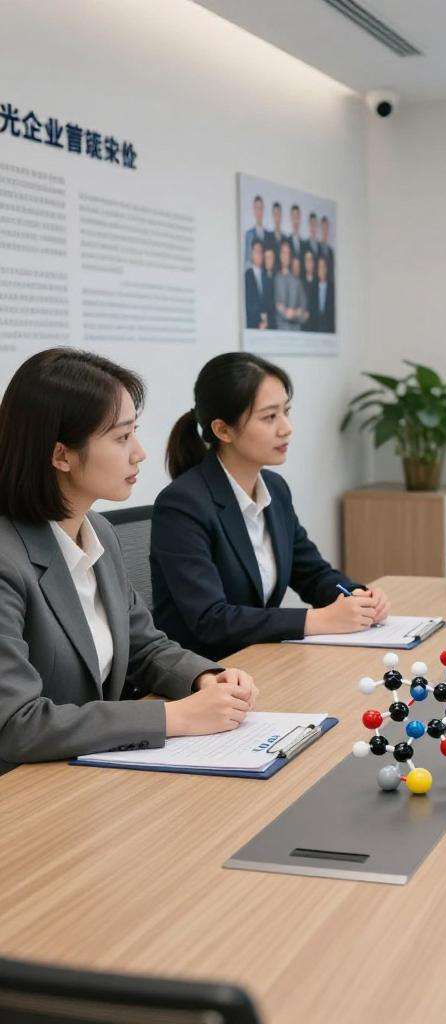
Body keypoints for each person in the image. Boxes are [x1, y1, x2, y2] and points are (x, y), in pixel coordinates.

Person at [0, 349, 258, 773]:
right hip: (25, 795)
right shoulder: (7, 561)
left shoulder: (97, 530)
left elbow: (144, 646)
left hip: (89, 773)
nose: (139, 453)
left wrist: (205, 678)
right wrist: (175, 717)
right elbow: (17, 724)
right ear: (61, 455)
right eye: (121, 438)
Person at [151, 353, 390, 662]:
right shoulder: (182, 505)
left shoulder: (275, 489)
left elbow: (313, 574)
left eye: (286, 412)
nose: (286, 428)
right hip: (205, 676)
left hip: (260, 662)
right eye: (269, 417)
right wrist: (317, 620)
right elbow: (211, 620)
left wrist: (355, 596)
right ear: (223, 430)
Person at [273, 241, 306, 331]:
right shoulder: (275, 279)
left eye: (288, 253)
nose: (286, 256)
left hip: (296, 332)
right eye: (283, 252)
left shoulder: (297, 281)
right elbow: (275, 304)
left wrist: (294, 313)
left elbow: (304, 310)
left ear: (291, 256)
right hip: (280, 332)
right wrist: (285, 313)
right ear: (280, 255)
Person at [244, 239, 268, 330]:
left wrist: (266, 321)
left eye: (261, 252)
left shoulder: (266, 275)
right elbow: (249, 304)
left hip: (268, 326)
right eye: (256, 251)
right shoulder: (247, 276)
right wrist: (259, 321)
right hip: (253, 326)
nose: (259, 255)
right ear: (251, 254)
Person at [242, 194, 269, 266]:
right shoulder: (249, 234)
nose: (259, 212)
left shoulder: (268, 235)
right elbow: (247, 259)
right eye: (257, 208)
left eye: (260, 208)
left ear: (263, 210)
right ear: (254, 210)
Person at [311, 255, 334, 333]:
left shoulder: (332, 288)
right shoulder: (313, 288)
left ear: (327, 269)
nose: (322, 270)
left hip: (329, 329)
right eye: (319, 267)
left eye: (323, 267)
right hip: (315, 329)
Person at [260, 245, 277, 329]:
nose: (268, 260)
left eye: (270, 257)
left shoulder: (277, 277)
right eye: (266, 257)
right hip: (264, 319)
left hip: (276, 319)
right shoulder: (260, 276)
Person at [300, 250, 318, 332]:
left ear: (313, 263)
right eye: (306, 260)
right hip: (303, 325)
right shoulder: (300, 281)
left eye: (310, 260)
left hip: (315, 325)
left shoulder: (318, 282)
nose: (308, 262)